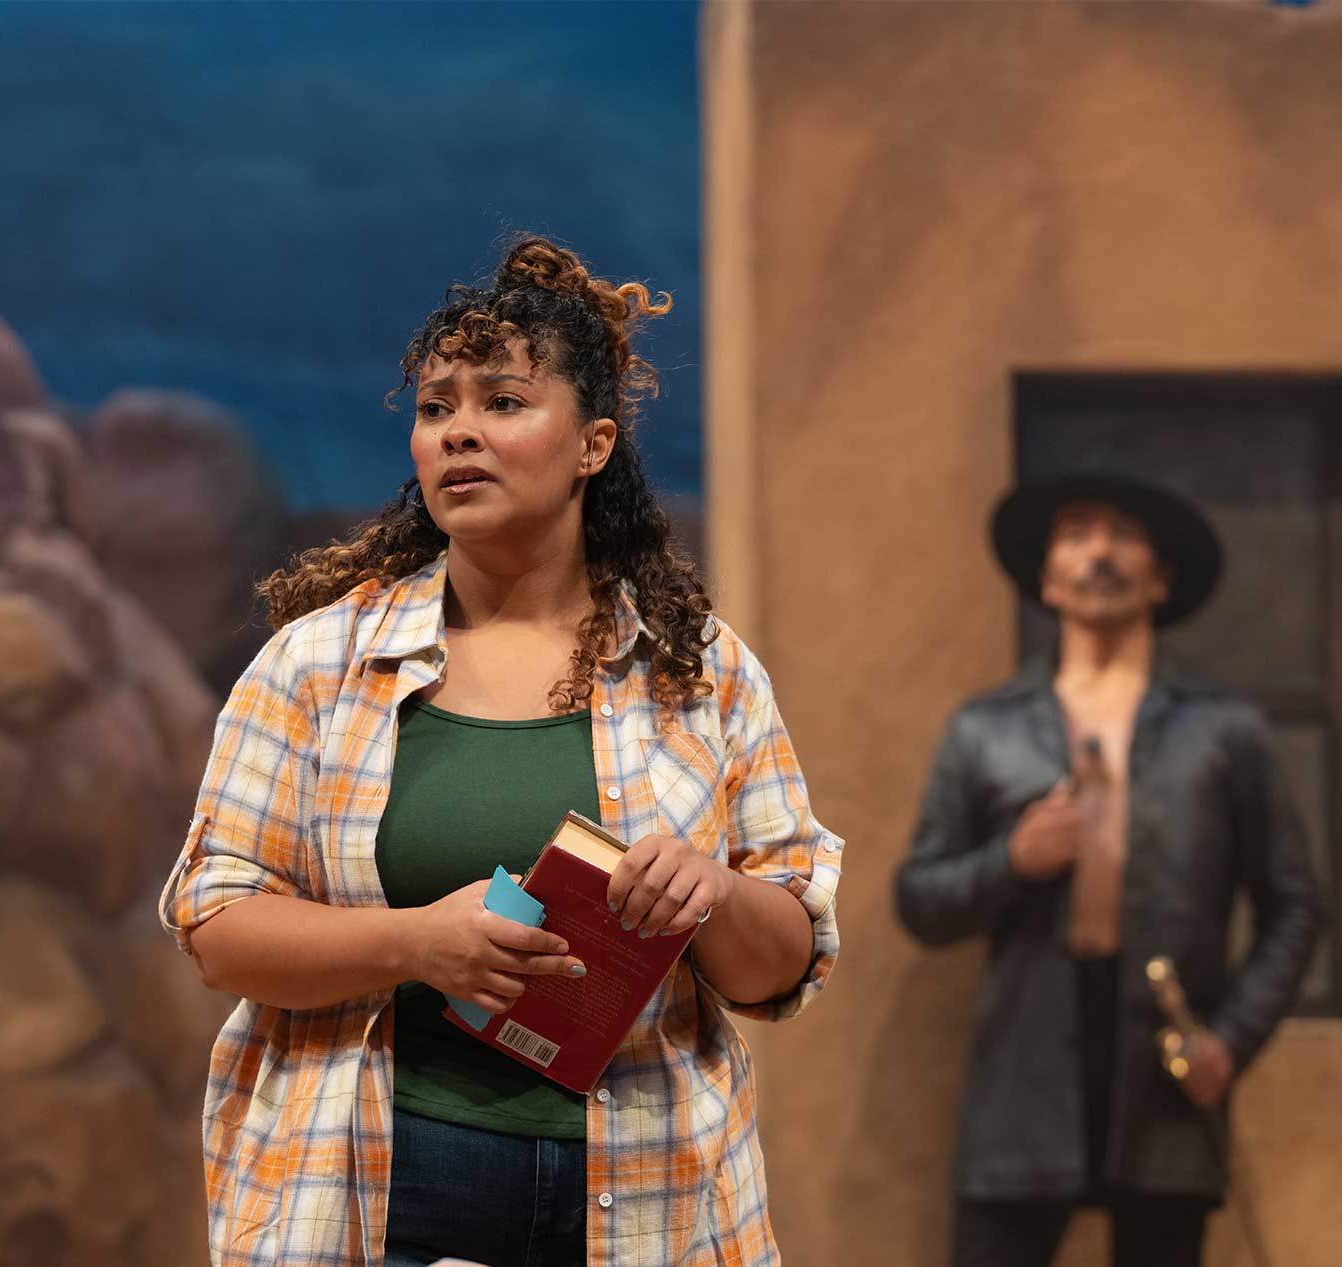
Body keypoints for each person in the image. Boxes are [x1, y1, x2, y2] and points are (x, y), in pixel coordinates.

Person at [157, 237, 842, 1267]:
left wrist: (713, 892)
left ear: (592, 445)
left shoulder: (696, 670)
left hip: (643, 1199)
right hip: (373, 1189)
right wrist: (414, 941)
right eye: (437, 409)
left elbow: (779, 964)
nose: (458, 433)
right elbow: (215, 923)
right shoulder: (319, 663)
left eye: (503, 403)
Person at [894, 474, 1325, 1267]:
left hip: (1165, 1074)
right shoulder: (986, 728)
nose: (1100, 550)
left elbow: (1295, 905)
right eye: (1078, 531)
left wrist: (1231, 1040)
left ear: (1161, 577)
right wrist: (1013, 860)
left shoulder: (1223, 730)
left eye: (1124, 534)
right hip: (1021, 1079)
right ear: (1047, 576)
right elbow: (919, 899)